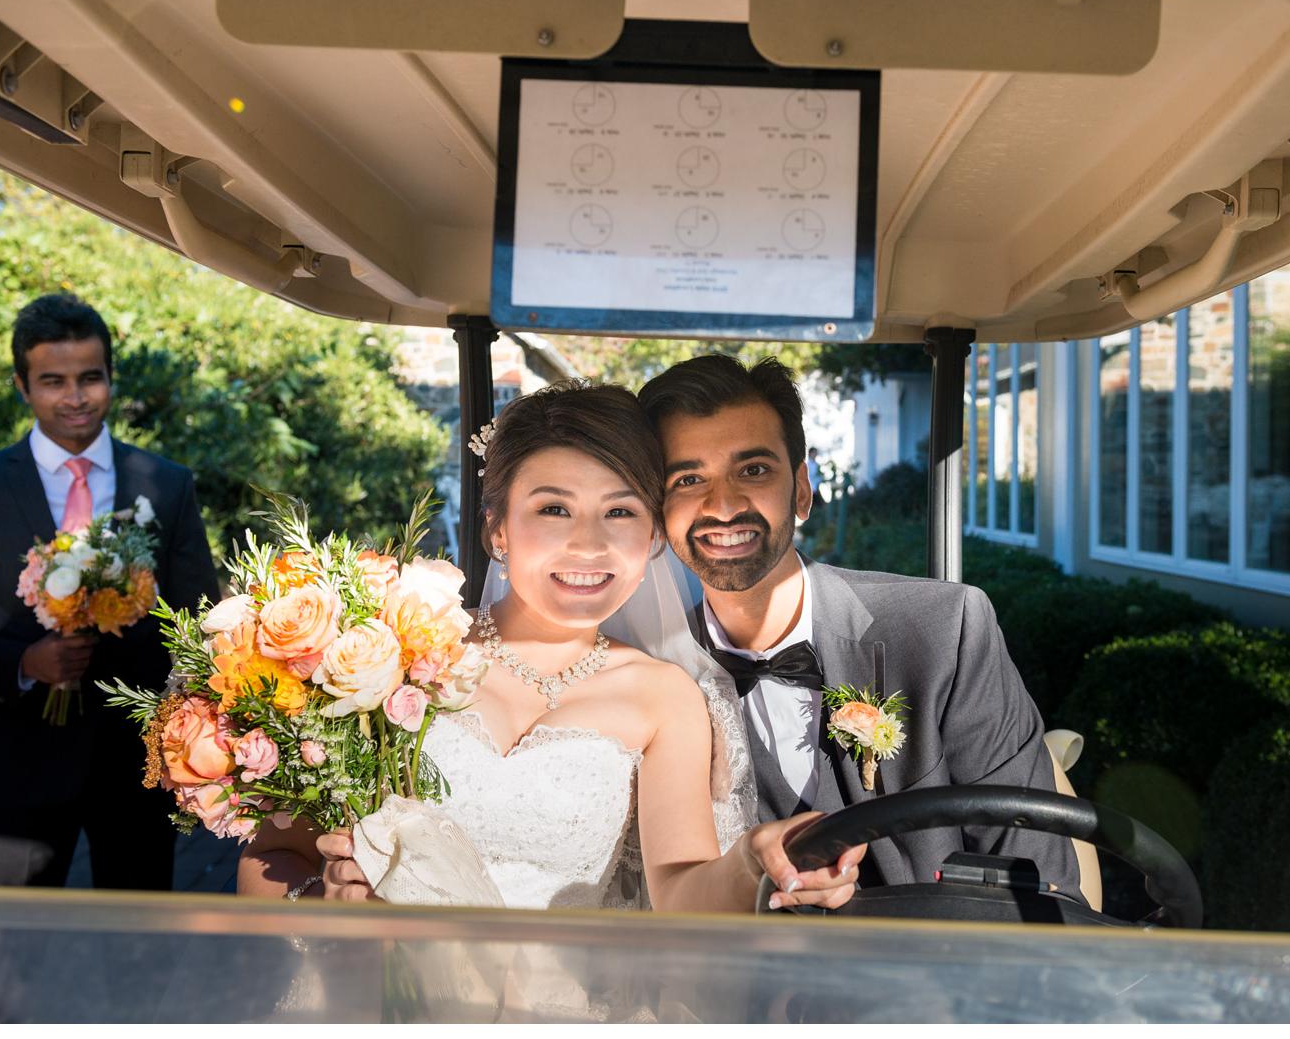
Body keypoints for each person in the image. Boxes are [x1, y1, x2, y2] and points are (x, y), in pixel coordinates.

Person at [245, 382, 865, 913]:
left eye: (619, 512)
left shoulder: (664, 697)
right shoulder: (387, 655)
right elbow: (273, 860)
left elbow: (679, 890)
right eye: (553, 509)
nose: (589, 546)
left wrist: (753, 863)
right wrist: (322, 904)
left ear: (652, 535)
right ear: (498, 529)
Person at [637, 355, 1078, 896]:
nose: (723, 505)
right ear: (659, 510)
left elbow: (1039, 872)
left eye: (753, 471)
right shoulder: (653, 676)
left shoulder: (946, 631)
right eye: (688, 478)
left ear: (801, 490)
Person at [0, 293, 221, 891]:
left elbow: (198, 625)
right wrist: (24, 663)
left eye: (90, 378)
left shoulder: (167, 485)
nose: (75, 397)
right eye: (53, 381)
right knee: (3, 956)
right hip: (17, 767)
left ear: (110, 379)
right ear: (22, 385)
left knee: (137, 943)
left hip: (136, 763)